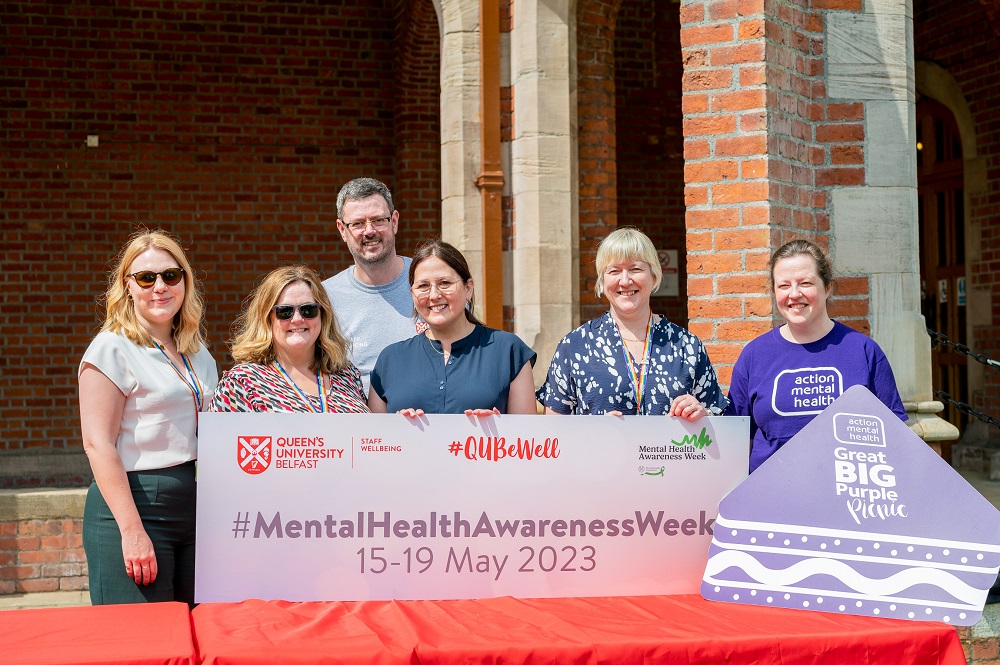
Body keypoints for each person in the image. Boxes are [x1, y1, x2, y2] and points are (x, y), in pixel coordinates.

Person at [78, 230, 218, 605]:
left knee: (197, 632)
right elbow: (98, 444)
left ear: (185, 282)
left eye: (171, 276)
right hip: (136, 504)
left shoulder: (198, 353)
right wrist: (132, 530)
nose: (160, 286)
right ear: (127, 286)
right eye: (146, 277)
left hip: (195, 504)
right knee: (144, 639)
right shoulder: (111, 348)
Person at [726, 239, 907, 473]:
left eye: (805, 283)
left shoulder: (862, 351)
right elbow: (737, 440)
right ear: (773, 291)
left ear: (828, 287)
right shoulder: (754, 355)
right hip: (772, 499)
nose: (794, 294)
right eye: (783, 286)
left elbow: (896, 435)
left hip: (845, 496)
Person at [537, 227, 727, 419]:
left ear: (653, 276)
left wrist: (705, 414)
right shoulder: (575, 346)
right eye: (614, 271)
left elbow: (718, 423)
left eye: (635, 269)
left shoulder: (687, 345)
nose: (625, 281)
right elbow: (554, 431)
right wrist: (591, 432)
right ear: (602, 280)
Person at [368, 239, 537, 415]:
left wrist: (498, 430)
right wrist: (396, 429)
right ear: (412, 293)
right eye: (423, 286)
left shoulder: (508, 351)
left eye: (445, 283)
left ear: (468, 288)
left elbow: (527, 436)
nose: (434, 295)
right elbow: (373, 438)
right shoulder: (390, 359)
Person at [211, 265, 368, 414]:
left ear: (323, 314)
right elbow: (216, 439)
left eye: (308, 310)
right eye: (285, 311)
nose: (298, 319)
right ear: (267, 319)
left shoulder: (347, 374)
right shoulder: (242, 382)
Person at [323, 178, 422, 393]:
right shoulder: (323, 298)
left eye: (378, 220)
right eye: (357, 223)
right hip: (355, 423)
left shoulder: (431, 283)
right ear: (342, 229)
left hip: (428, 421)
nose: (369, 231)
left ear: (394, 222)